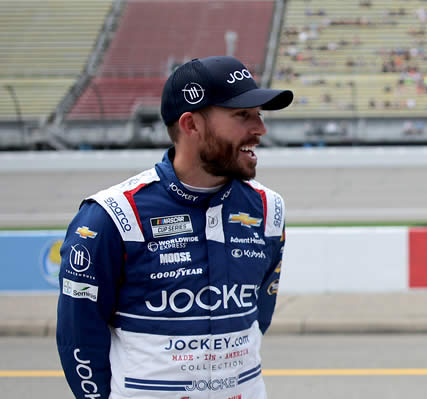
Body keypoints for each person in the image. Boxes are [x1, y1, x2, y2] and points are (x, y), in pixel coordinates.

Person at [56, 55, 293, 398]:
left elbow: (258, 317)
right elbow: (79, 337)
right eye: (243, 115)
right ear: (191, 125)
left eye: (259, 115)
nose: (260, 129)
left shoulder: (269, 208)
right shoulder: (112, 216)